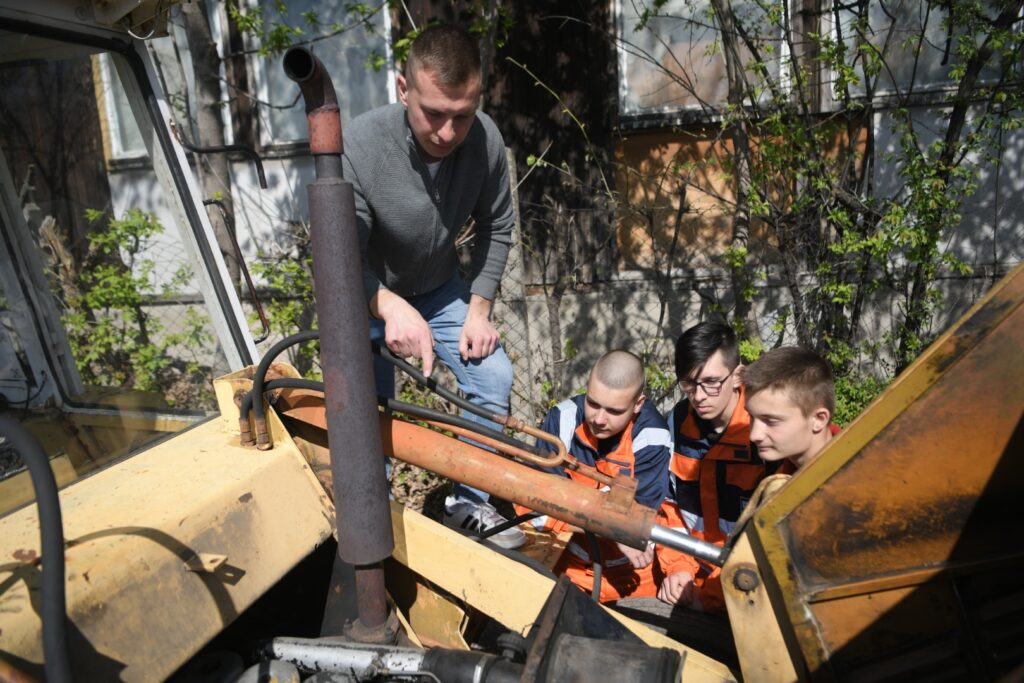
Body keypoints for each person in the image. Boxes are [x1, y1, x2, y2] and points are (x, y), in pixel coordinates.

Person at [341, 25, 521, 548]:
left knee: (493, 374)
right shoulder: (359, 145)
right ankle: (373, 510)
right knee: (369, 400)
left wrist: (479, 309)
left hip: (440, 288)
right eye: (434, 114)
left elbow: (498, 225)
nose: (447, 132)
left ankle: (467, 505)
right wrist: (386, 304)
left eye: (461, 115)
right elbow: (341, 255)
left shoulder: (484, 140)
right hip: (365, 295)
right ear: (404, 89)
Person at [519, 350, 672, 602]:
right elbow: (542, 500)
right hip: (565, 565)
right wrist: (613, 527)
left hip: (631, 578)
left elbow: (637, 514)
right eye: (592, 403)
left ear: (638, 404)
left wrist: (614, 524)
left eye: (614, 411)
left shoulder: (652, 437)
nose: (599, 419)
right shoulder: (563, 419)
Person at [654, 321, 782, 613]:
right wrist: (677, 567)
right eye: (688, 383)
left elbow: (771, 537)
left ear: (737, 375)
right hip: (688, 576)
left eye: (711, 382)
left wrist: (713, 594)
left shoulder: (765, 435)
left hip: (746, 587)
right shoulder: (676, 423)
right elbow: (667, 507)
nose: (698, 396)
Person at [742, 346, 838, 471]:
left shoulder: (853, 477)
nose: (754, 435)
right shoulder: (783, 474)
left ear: (819, 419)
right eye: (751, 416)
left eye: (771, 421)